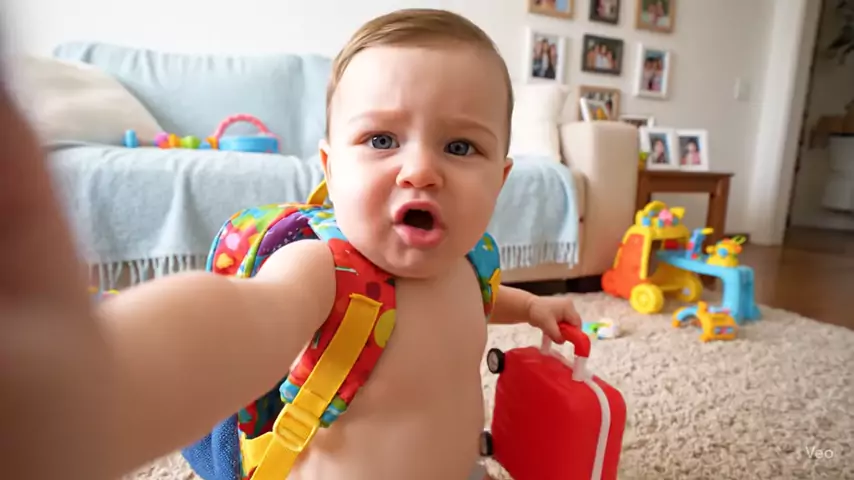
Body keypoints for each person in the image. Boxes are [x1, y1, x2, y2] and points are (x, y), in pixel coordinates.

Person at [0, 8, 580, 480]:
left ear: (500, 179)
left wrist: (532, 306)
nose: (420, 170)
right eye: (382, 139)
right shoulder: (321, 270)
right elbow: (241, 321)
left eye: (460, 147)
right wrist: (88, 378)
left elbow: (482, 300)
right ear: (330, 167)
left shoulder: (472, 261)